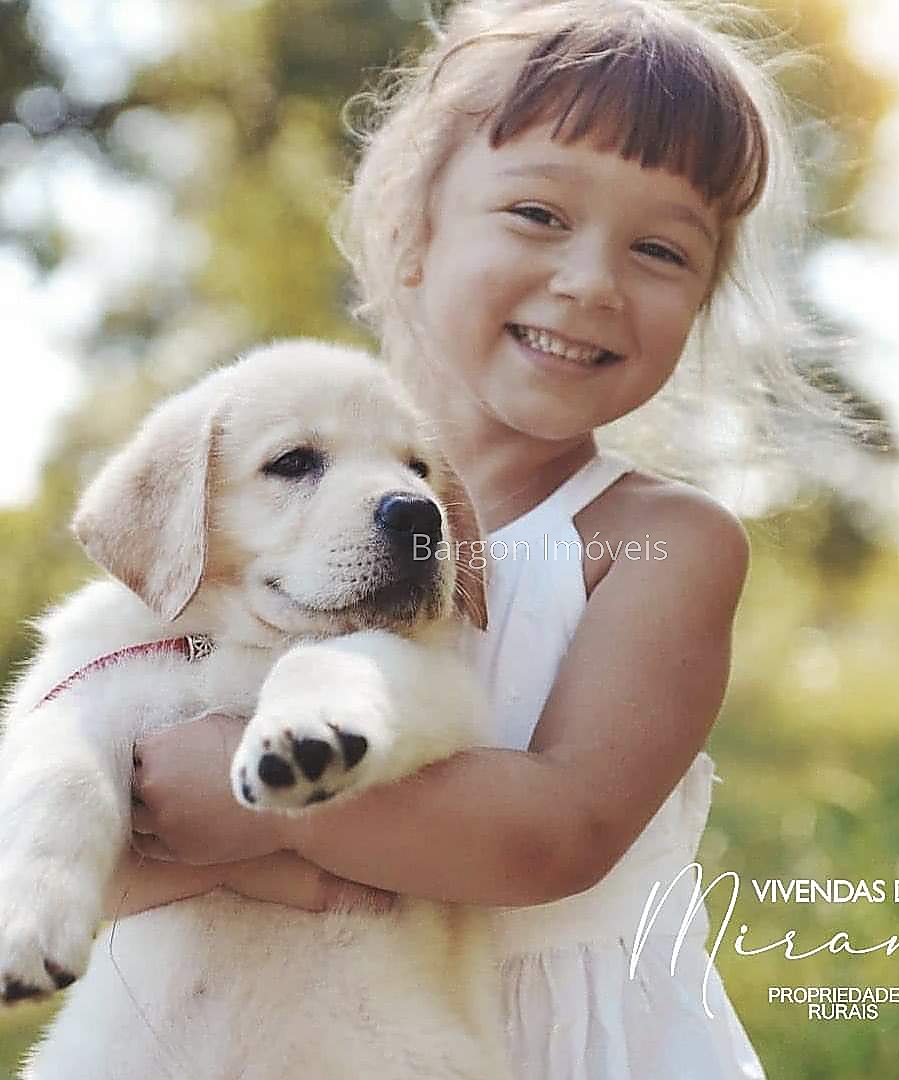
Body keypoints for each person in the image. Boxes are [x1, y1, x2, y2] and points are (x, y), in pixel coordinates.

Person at [119, 0, 853, 1075]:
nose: (592, 281)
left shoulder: (657, 543)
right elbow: (128, 822)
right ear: (415, 234)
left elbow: (558, 833)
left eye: (659, 248)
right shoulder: (261, 513)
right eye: (539, 215)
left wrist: (269, 810)